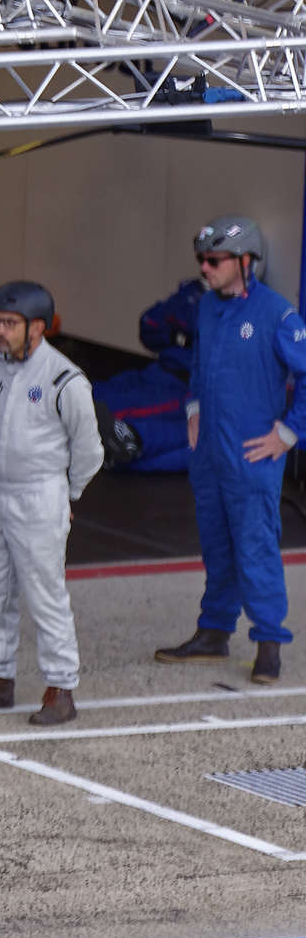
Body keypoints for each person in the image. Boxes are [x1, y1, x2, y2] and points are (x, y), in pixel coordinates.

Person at [0, 281, 104, 724]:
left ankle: (61, 689)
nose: (1, 331)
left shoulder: (64, 379)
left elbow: (90, 450)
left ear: (38, 327)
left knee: (45, 594)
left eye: (10, 324)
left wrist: (67, 495)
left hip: (39, 495)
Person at [155, 217, 306, 682]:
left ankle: (268, 644)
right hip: (210, 457)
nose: (205, 267)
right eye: (201, 259)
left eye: (214, 260)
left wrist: (289, 432)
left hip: (252, 457)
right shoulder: (205, 307)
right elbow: (199, 363)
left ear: (244, 261)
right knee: (217, 548)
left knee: (255, 548)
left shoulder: (278, 315)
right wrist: (194, 406)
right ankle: (214, 632)